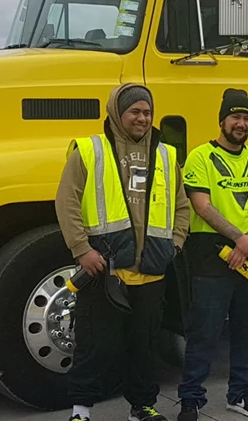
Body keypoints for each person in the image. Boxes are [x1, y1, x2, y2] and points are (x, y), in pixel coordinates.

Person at [56, 83, 191, 421]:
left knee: (144, 346)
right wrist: (81, 249)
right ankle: (81, 410)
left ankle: (142, 407)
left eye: (147, 112)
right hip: (106, 269)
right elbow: (67, 201)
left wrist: (174, 244)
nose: (142, 118)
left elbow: (182, 206)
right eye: (135, 111)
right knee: (95, 343)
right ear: (118, 113)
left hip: (152, 270)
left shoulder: (166, 154)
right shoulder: (90, 150)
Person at [177, 88, 248, 421]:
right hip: (210, 255)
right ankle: (191, 400)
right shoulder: (200, 156)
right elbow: (201, 206)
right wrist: (240, 239)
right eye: (235, 117)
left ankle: (241, 394)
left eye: (247, 118)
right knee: (204, 333)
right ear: (222, 120)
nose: (241, 123)